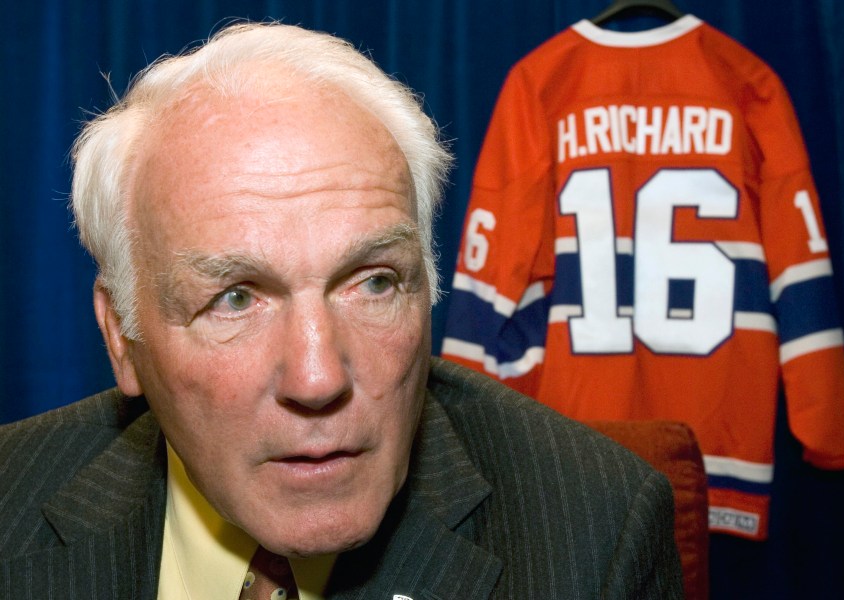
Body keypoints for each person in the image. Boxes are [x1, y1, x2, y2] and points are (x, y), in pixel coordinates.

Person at [0, 21, 683, 599]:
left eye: (374, 282)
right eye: (235, 298)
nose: (318, 377)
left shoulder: (597, 534)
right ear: (122, 336)